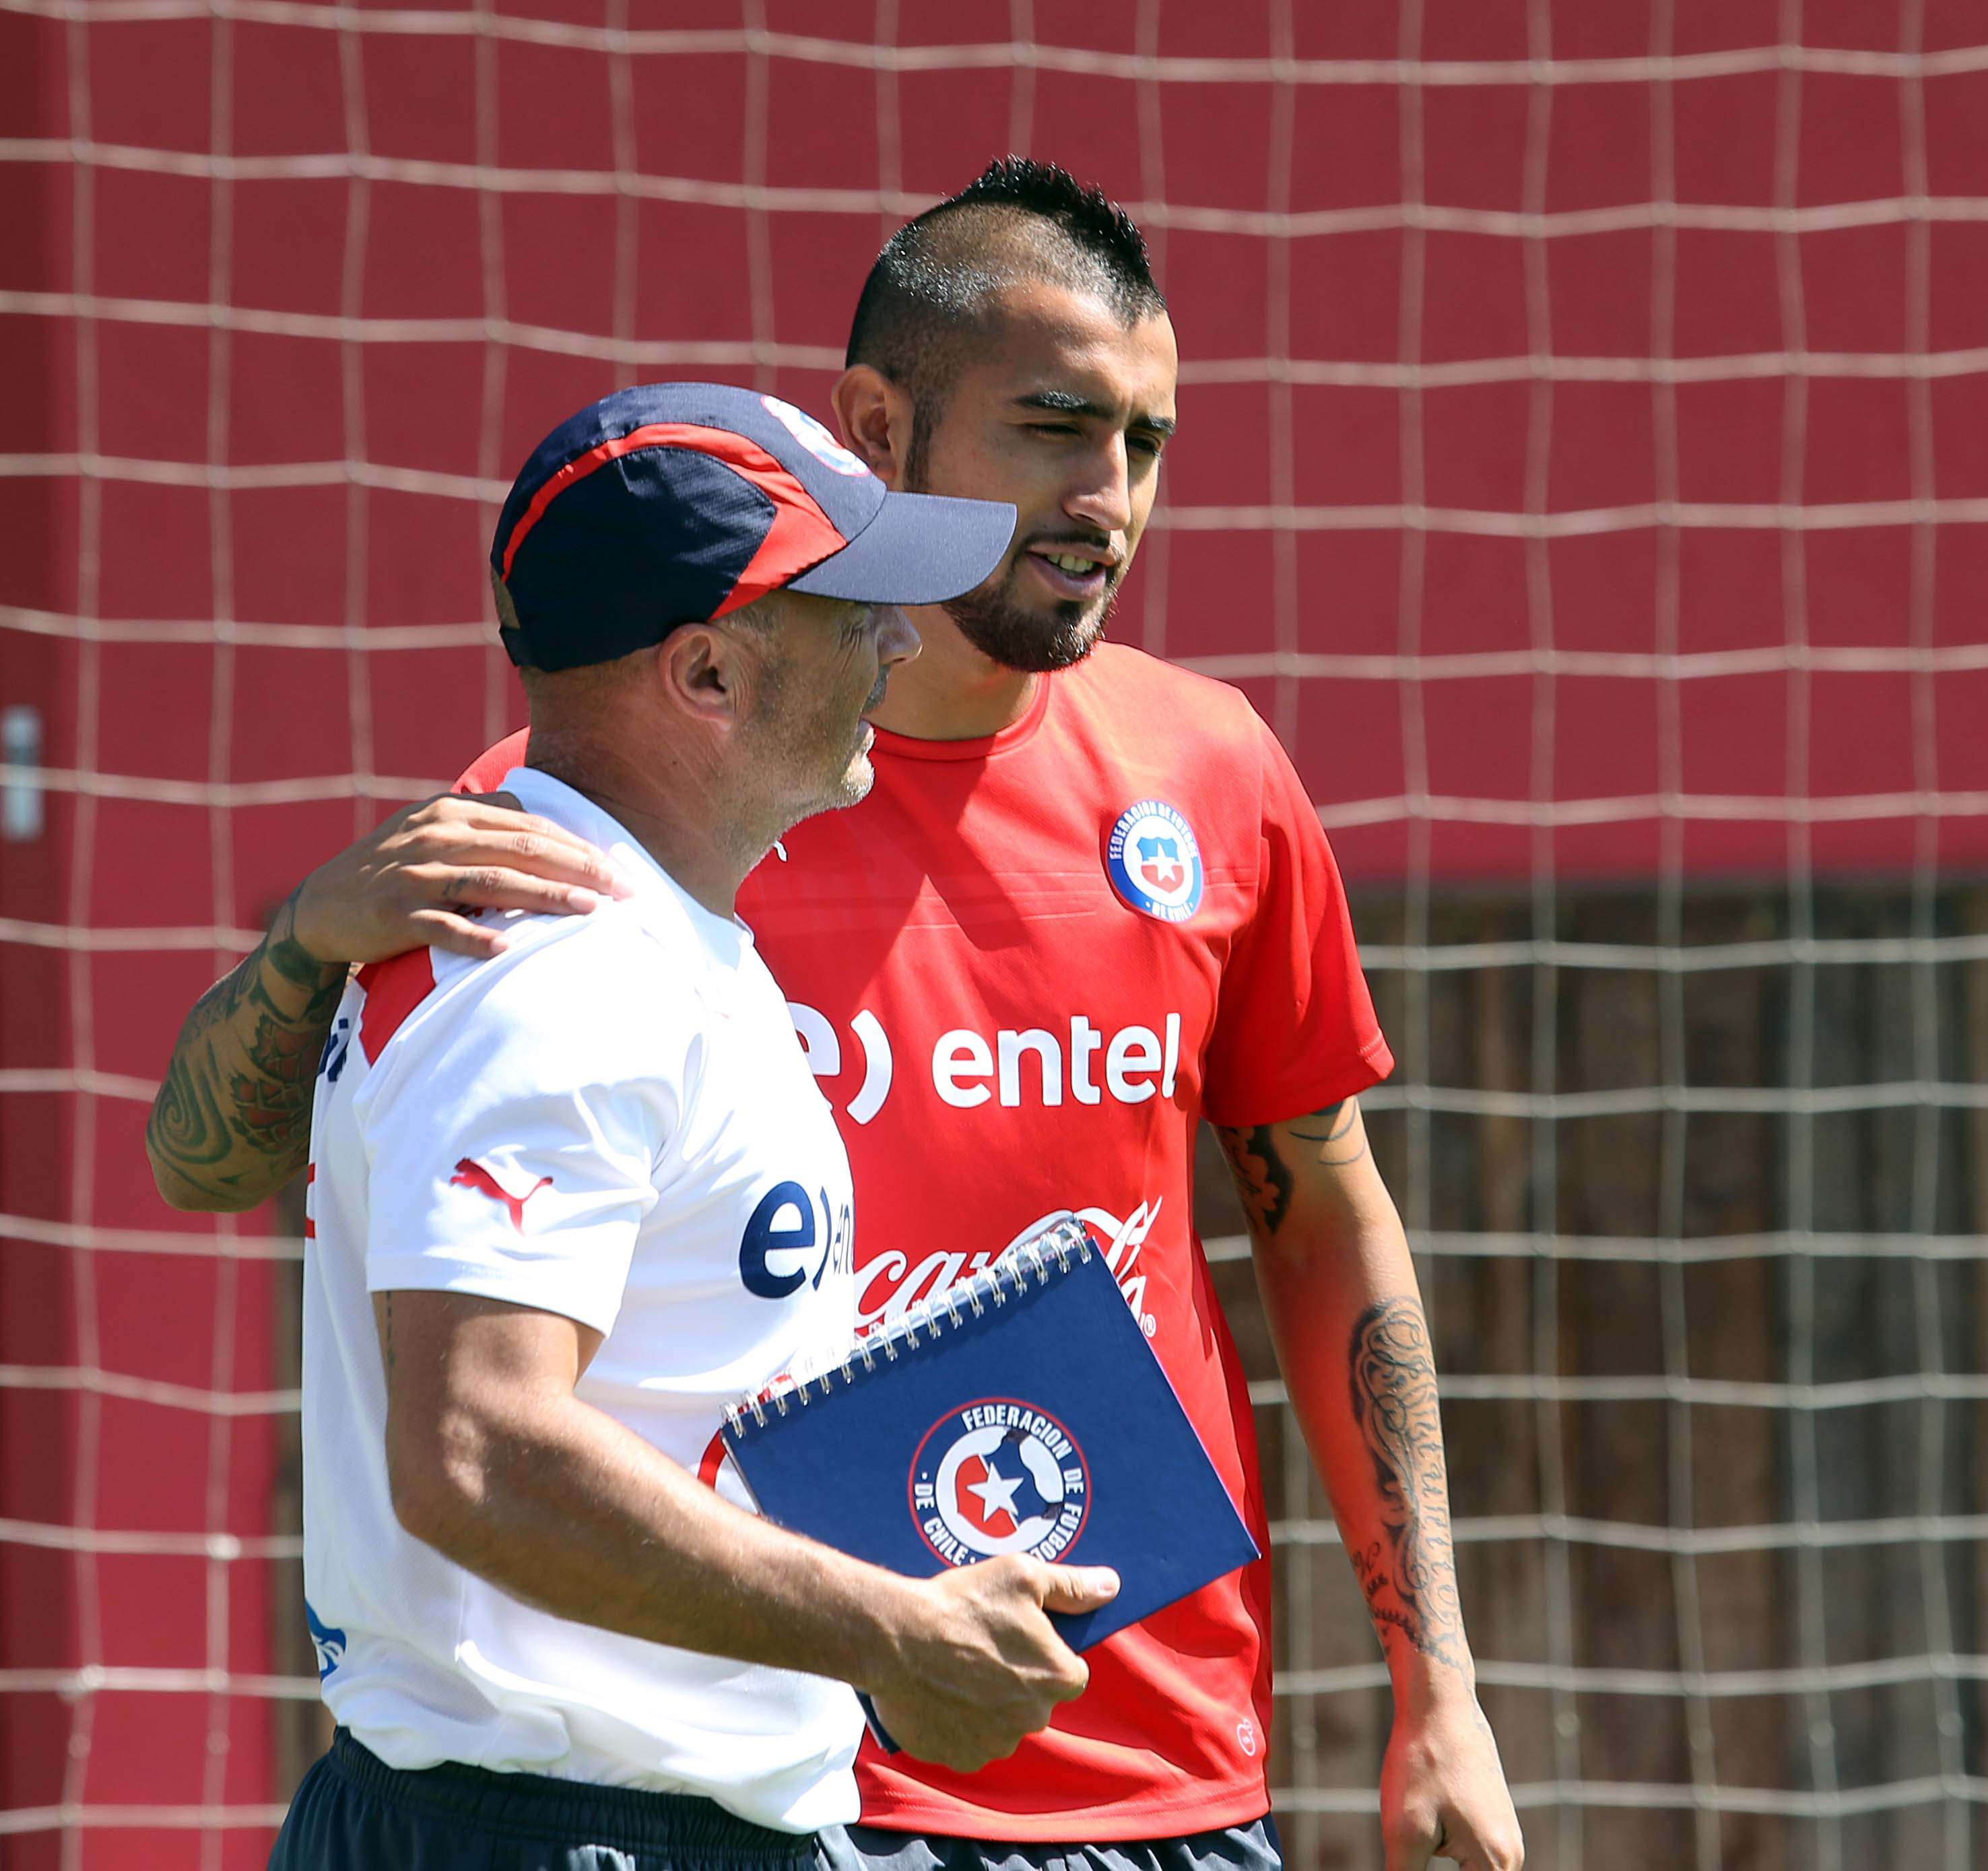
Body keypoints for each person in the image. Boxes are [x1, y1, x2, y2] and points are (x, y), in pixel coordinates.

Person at [152, 165, 1524, 1871]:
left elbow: (1325, 1215)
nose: (1108, 497)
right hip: (772, 1774)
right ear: (878, 422)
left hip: (1145, 1751)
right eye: (1053, 426)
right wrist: (296, 956)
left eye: (1148, 444)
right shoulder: (582, 857)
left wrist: (1439, 1685)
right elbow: (248, 1181)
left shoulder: (1214, 772)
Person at [255, 379, 1122, 1870]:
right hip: (566, 1831)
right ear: (708, 672)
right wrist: (895, 1633)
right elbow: (476, 1449)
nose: (900, 643)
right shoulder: (568, 977)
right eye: (858, 607)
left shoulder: (628, 933)